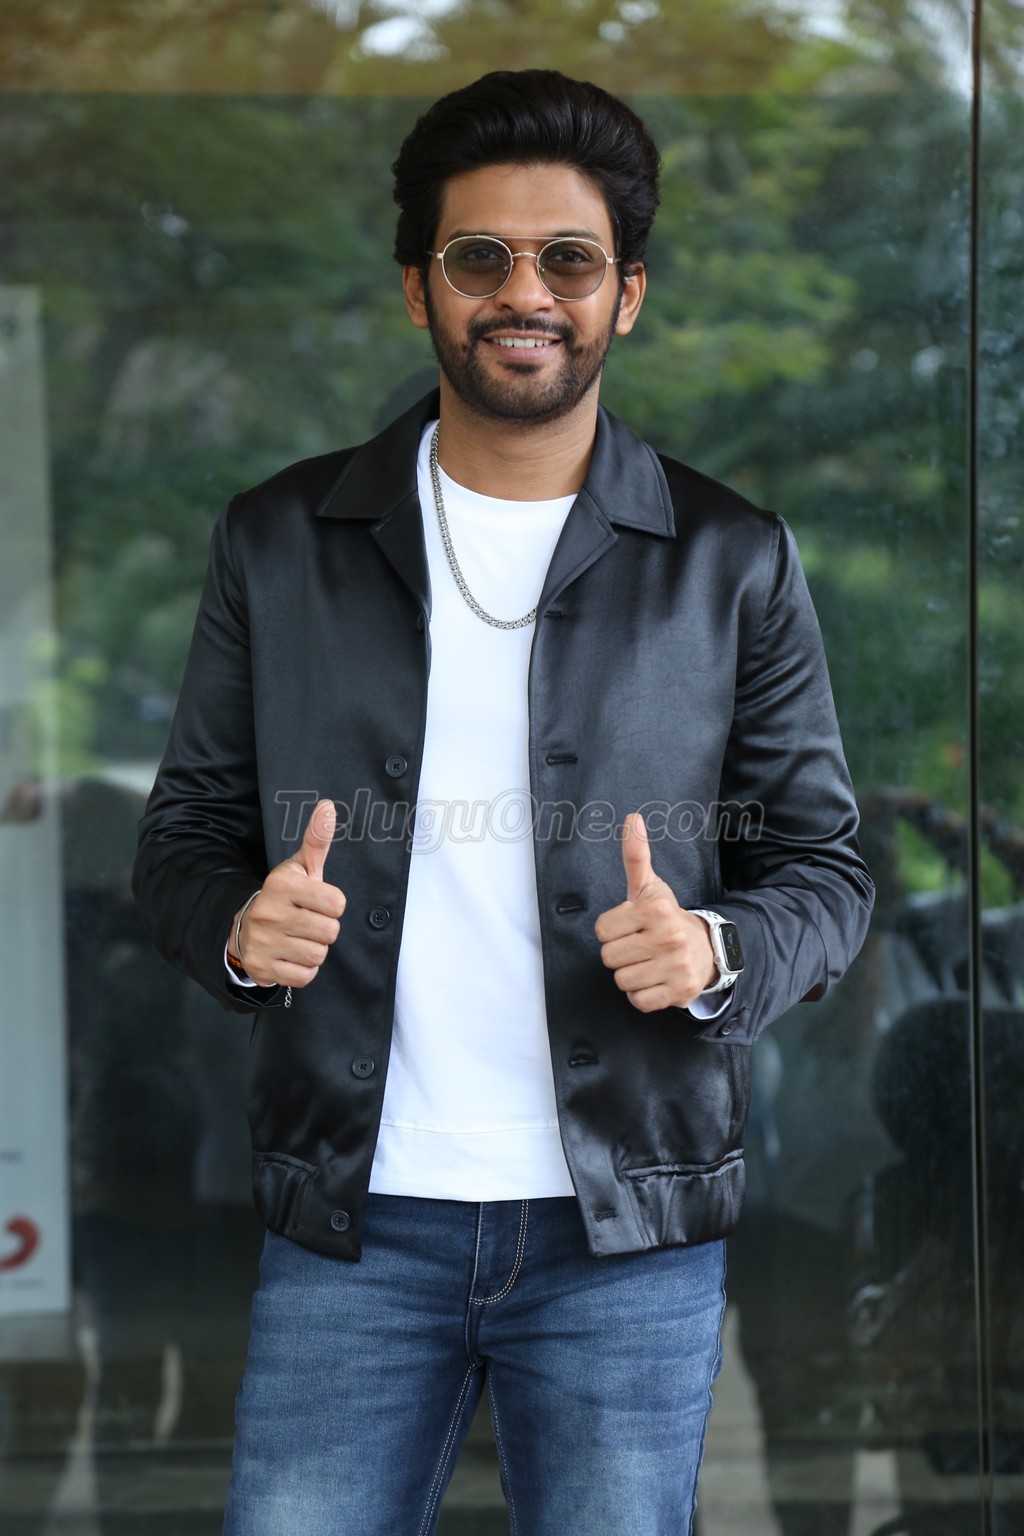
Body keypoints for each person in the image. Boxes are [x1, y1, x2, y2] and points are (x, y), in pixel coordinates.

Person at [133, 68, 874, 1536]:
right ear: (421, 288)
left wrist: (717, 949)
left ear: (626, 295)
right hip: (352, 1222)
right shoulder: (280, 540)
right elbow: (180, 842)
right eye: (481, 257)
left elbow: (828, 870)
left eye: (569, 260)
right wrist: (236, 928)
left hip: (628, 1231)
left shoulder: (731, 558)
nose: (524, 292)